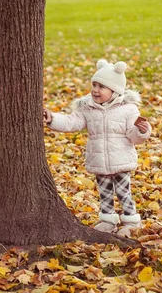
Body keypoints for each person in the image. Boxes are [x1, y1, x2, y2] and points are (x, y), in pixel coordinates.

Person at [43, 59, 151, 237]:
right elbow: (72, 122)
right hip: (99, 160)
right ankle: (108, 220)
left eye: (101, 86)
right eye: (94, 85)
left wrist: (142, 132)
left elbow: (133, 136)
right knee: (105, 193)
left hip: (121, 160)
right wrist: (53, 119)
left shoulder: (128, 109)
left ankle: (131, 221)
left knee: (124, 192)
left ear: (114, 90)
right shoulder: (88, 109)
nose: (95, 90)